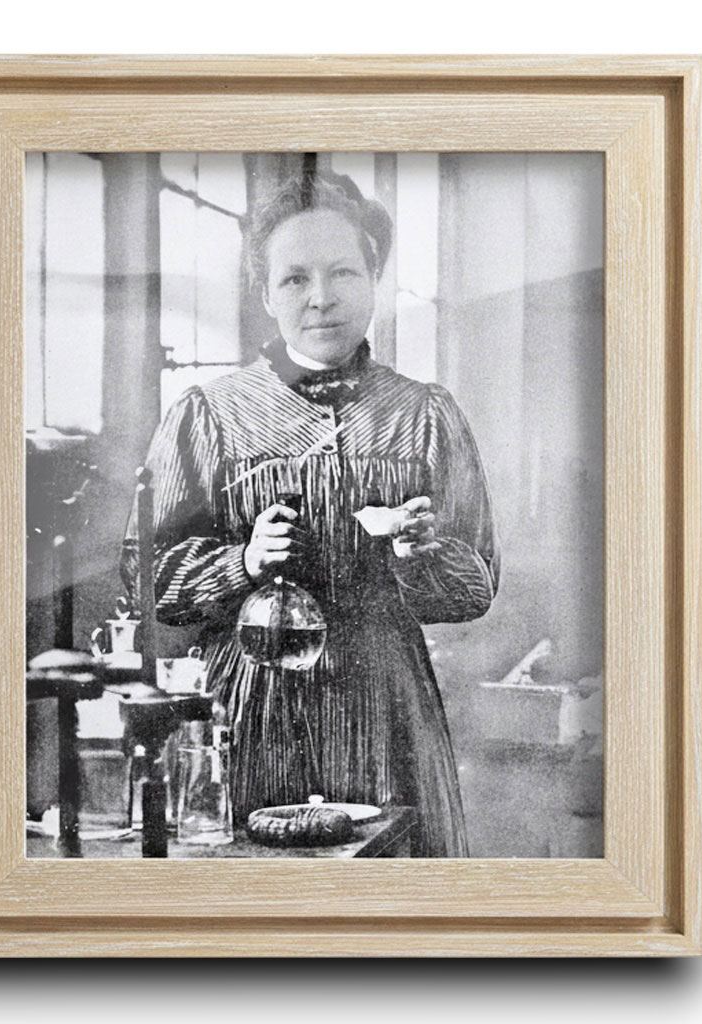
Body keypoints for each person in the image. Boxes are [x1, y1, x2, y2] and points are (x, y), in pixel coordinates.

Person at [122, 169, 499, 856]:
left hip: (385, 712)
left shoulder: (425, 415)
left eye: (343, 273)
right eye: (294, 278)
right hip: (251, 711)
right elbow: (145, 577)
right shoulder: (209, 416)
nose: (321, 298)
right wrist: (242, 562)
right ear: (266, 294)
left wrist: (421, 554)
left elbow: (476, 586)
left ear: (374, 279)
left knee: (390, 890)